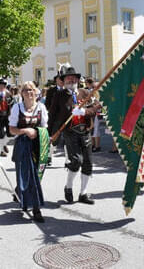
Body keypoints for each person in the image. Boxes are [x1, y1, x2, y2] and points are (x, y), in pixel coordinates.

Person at [48, 65, 100, 204]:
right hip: (70, 132)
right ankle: (69, 186)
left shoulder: (85, 93)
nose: (71, 80)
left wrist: (85, 112)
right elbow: (52, 115)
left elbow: (96, 107)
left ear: (78, 79)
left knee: (88, 163)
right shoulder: (59, 96)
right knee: (76, 160)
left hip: (85, 131)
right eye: (67, 78)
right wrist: (50, 133)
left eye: (73, 78)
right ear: (64, 81)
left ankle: (83, 193)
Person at [8, 81, 48, 222]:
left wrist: (36, 132)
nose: (29, 92)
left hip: (37, 145)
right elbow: (11, 129)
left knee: (35, 176)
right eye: (25, 90)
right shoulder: (16, 108)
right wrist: (24, 130)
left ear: (36, 92)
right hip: (22, 145)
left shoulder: (41, 108)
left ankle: (22, 195)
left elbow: (44, 128)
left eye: (31, 90)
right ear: (21, 93)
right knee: (27, 176)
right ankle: (36, 209)